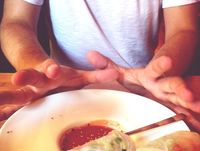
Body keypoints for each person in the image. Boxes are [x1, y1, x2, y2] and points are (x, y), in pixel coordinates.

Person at [0, 0, 200, 112]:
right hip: (57, 89)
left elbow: (183, 29)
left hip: (141, 91)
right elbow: (16, 22)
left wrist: (159, 72)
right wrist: (39, 69)